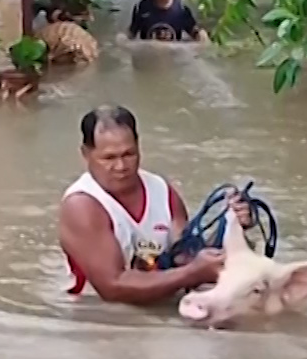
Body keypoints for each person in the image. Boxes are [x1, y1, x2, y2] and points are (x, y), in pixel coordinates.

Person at [59, 106, 246, 305]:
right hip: (101, 315)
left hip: (162, 301)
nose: (121, 167)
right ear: (86, 154)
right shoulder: (82, 205)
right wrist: (194, 272)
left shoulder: (162, 191)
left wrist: (232, 226)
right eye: (109, 158)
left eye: (128, 154)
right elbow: (112, 287)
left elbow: (184, 256)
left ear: (139, 147)